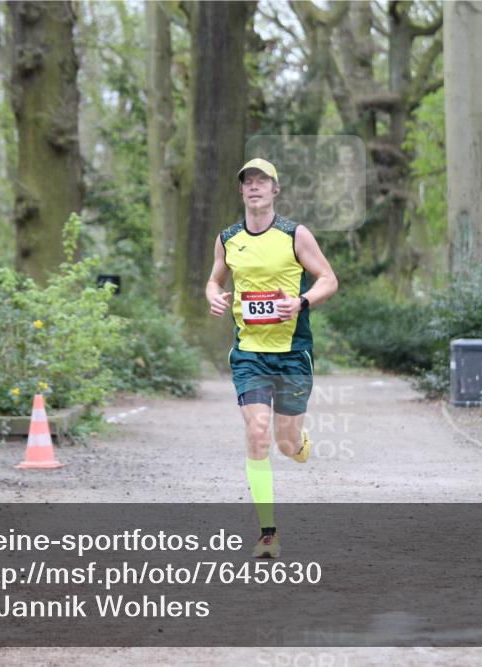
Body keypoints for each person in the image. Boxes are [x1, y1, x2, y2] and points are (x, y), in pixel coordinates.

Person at [206, 158, 338, 558]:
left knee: (285, 443)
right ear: (241, 190)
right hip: (250, 355)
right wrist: (213, 295)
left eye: (262, 181)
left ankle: (298, 442)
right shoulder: (228, 239)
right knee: (257, 434)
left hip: (293, 353)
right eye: (248, 181)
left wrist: (300, 301)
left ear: (275, 189)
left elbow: (328, 279)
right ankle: (268, 534)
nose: (254, 186)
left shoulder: (295, 234)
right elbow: (215, 278)